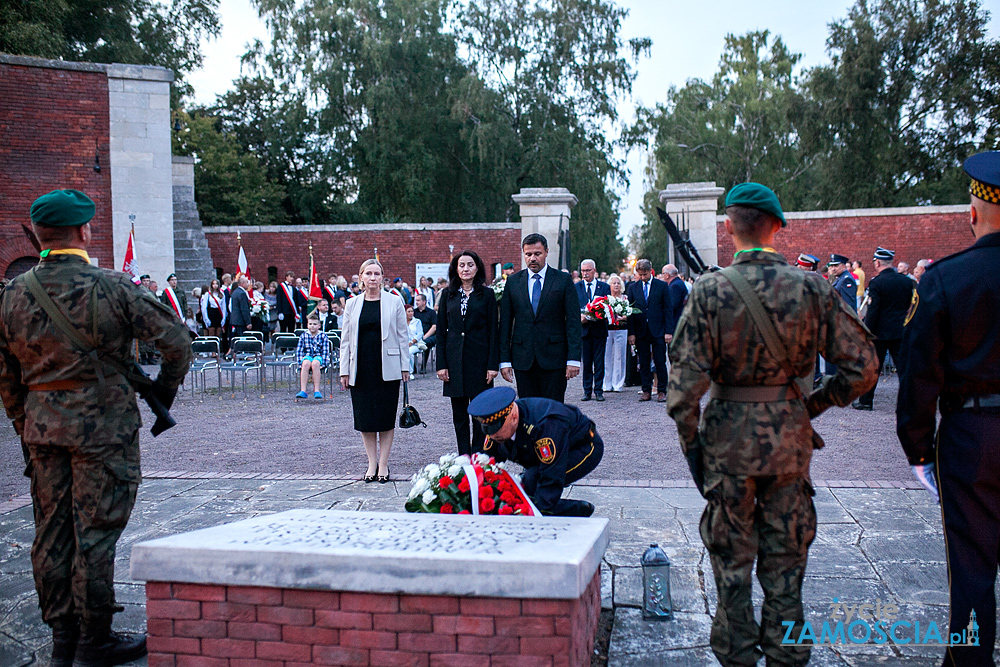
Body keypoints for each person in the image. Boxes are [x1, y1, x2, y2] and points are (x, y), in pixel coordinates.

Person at [667, 182, 877, 667]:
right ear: (778, 227)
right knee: (787, 565)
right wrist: (814, 405)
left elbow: (682, 394)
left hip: (726, 447)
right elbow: (863, 367)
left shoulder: (710, 291)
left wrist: (694, 450)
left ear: (729, 228)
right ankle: (786, 652)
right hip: (789, 443)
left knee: (731, 565)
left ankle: (737, 654)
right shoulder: (812, 287)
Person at [0, 189, 192, 666]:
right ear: (84, 231)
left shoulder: (13, 295)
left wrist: (28, 424)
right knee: (96, 532)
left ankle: (62, 637)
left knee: (50, 532)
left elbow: (6, 376)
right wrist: (160, 398)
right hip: (104, 431)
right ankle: (94, 639)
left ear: (41, 235)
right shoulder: (112, 286)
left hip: (43, 432)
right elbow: (177, 344)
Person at [897, 151, 1000, 667]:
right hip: (972, 431)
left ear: (975, 210)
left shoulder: (946, 279)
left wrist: (918, 449)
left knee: (973, 567)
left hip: (972, 436)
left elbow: (921, 376)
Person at [469, 386, 602, 517]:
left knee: (534, 482)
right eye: (488, 430)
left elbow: (552, 474)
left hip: (582, 447)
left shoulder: (546, 424)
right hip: (542, 451)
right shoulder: (500, 424)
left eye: (495, 430)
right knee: (522, 487)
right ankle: (563, 509)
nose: (492, 436)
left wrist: (536, 517)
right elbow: (488, 460)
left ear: (514, 417)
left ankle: (575, 511)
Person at [339, 259, 409, 483]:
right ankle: (371, 463)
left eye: (376, 273)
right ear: (360, 277)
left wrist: (405, 366)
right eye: (368, 273)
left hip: (387, 368)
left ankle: (384, 464)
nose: (372, 277)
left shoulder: (394, 302)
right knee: (365, 419)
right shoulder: (352, 304)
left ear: (382, 278)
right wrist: (343, 370)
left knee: (385, 418)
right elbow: (346, 340)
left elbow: (402, 335)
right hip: (360, 368)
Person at [499, 233, 581, 402]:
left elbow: (573, 321)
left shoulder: (562, 280)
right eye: (528, 254)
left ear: (546, 252)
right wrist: (505, 361)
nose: (533, 258)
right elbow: (505, 323)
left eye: (537, 253)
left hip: (555, 358)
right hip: (523, 358)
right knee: (527, 412)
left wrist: (573, 359)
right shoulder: (513, 282)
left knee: (553, 411)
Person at [436, 251, 499, 455]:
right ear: (456, 269)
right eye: (461, 265)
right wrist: (441, 364)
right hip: (454, 362)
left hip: (479, 362)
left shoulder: (487, 294)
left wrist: (492, 365)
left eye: (470, 264)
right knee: (459, 415)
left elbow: (493, 331)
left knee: (481, 413)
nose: (465, 269)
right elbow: (441, 332)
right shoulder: (447, 294)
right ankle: (463, 456)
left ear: (477, 267)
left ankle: (479, 454)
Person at [853, 247, 915, 411]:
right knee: (904, 368)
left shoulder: (877, 282)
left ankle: (866, 401)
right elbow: (908, 305)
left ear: (877, 262)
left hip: (879, 333)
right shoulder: (906, 281)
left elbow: (873, 311)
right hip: (900, 331)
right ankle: (910, 402)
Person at [624, 259, 671, 402]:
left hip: (658, 330)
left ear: (651, 271)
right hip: (640, 331)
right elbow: (630, 311)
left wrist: (668, 331)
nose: (643, 278)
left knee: (660, 361)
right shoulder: (633, 287)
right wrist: (631, 333)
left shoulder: (662, 286)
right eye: (640, 275)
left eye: (645, 274)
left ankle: (662, 390)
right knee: (643, 362)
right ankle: (646, 390)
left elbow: (667, 310)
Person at [576, 259, 610, 401]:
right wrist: (581, 316)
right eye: (583, 271)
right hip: (584, 330)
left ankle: (599, 390)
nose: (585, 273)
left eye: (588, 270)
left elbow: (608, 306)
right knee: (587, 362)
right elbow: (572, 307)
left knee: (599, 361)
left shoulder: (604, 287)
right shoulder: (576, 287)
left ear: (594, 271)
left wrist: (597, 315)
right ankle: (587, 390)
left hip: (599, 329)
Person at [602, 274, 628, 393]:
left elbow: (627, 315)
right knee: (606, 356)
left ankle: (618, 383)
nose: (616, 285)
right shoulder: (605, 299)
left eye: (618, 283)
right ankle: (606, 383)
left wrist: (620, 317)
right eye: (614, 283)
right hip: (607, 329)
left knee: (620, 356)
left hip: (621, 329)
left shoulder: (625, 299)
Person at [295, 314, 331, 399]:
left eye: (314, 324)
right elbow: (299, 350)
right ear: (307, 325)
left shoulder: (323, 336)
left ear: (319, 326)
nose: (312, 326)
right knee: (305, 364)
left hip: (318, 357)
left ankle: (317, 390)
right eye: (310, 324)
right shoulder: (303, 336)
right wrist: (300, 362)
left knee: (315, 364)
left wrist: (324, 363)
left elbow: (325, 351)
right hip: (307, 356)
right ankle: (303, 390)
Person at [413, 293, 437, 373]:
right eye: (416, 300)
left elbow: (434, 327)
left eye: (418, 300)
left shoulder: (431, 312)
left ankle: (423, 366)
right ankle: (413, 366)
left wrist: (424, 337)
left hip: (429, 335)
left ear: (424, 302)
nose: (416, 302)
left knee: (425, 343)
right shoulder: (414, 312)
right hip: (416, 336)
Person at [229, 276, 252, 340]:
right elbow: (244, 309)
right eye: (247, 282)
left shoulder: (235, 292)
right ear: (242, 283)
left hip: (235, 320)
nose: (248, 284)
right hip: (240, 321)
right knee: (242, 339)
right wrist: (248, 322)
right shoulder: (242, 293)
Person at [405, 304, 425, 374]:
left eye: (412, 311)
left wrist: (412, 342)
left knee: (409, 352)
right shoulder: (402, 322)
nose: (411, 313)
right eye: (409, 311)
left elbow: (420, 334)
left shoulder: (417, 321)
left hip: (416, 344)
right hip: (404, 344)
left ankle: (410, 372)